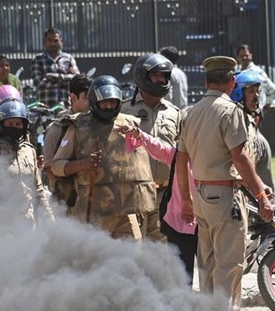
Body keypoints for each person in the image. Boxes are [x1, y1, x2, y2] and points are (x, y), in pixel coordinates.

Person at [175, 56, 274, 311]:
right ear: (232, 83)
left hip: (200, 195)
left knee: (206, 262)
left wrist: (185, 199)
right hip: (225, 196)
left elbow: (181, 160)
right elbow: (240, 157)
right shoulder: (231, 112)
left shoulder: (189, 113)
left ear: (206, 81)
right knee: (229, 263)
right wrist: (262, 196)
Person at [51, 75, 156, 239]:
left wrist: (139, 203)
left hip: (125, 213)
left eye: (112, 101)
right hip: (91, 211)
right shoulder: (78, 125)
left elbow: (139, 166)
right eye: (104, 102)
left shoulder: (129, 124)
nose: (108, 106)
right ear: (94, 101)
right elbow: (57, 166)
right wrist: (83, 164)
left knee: (132, 258)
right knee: (96, 261)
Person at [120, 123, 198, 283]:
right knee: (182, 274)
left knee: (208, 271)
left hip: (204, 224)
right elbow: (156, 146)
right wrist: (138, 134)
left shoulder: (210, 158)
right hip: (178, 223)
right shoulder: (175, 155)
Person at [120, 53, 181, 242]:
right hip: (132, 193)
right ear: (142, 77)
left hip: (164, 194)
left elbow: (180, 153)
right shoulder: (123, 110)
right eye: (155, 75)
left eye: (164, 75)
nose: (161, 79)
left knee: (160, 253)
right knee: (132, 249)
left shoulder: (174, 113)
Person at [0, 100, 54, 236]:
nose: (14, 127)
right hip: (2, 227)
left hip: (28, 226)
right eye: (9, 124)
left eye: (18, 124)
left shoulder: (30, 151)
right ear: (0, 125)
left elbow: (38, 191)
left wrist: (50, 220)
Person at [42, 74, 92, 208]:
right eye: (87, 97)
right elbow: (49, 168)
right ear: (73, 98)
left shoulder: (98, 125)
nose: (92, 102)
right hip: (68, 204)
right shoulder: (58, 128)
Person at [232, 70, 274, 191]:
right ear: (237, 94)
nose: (256, 96)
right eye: (251, 91)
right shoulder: (231, 126)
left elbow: (266, 178)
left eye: (258, 92)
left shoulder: (255, 133)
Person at [31, 27, 80, 108]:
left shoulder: (69, 58)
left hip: (66, 107)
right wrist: (66, 80)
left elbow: (76, 79)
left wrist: (53, 76)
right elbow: (39, 84)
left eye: (56, 40)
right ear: (44, 42)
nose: (53, 43)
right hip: (45, 110)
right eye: (49, 41)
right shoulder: (38, 60)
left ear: (61, 41)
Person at [235, 44, 275, 110]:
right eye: (242, 56)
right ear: (237, 57)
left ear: (251, 56)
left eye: (246, 55)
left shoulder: (257, 72)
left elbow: (273, 90)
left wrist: (263, 106)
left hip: (254, 113)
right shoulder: (237, 74)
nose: (244, 58)